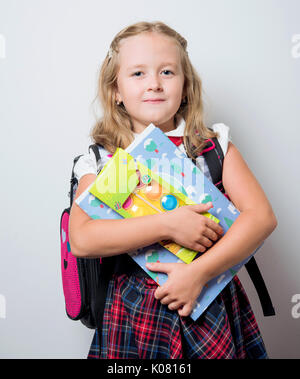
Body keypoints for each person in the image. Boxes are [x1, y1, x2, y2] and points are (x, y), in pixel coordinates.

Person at [69, 21, 277, 359]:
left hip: (210, 298)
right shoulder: (107, 158)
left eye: (167, 72)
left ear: (186, 87)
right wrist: (169, 224)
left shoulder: (209, 147)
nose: (154, 83)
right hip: (134, 311)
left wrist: (198, 275)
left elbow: (262, 218)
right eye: (138, 74)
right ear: (115, 91)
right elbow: (82, 239)